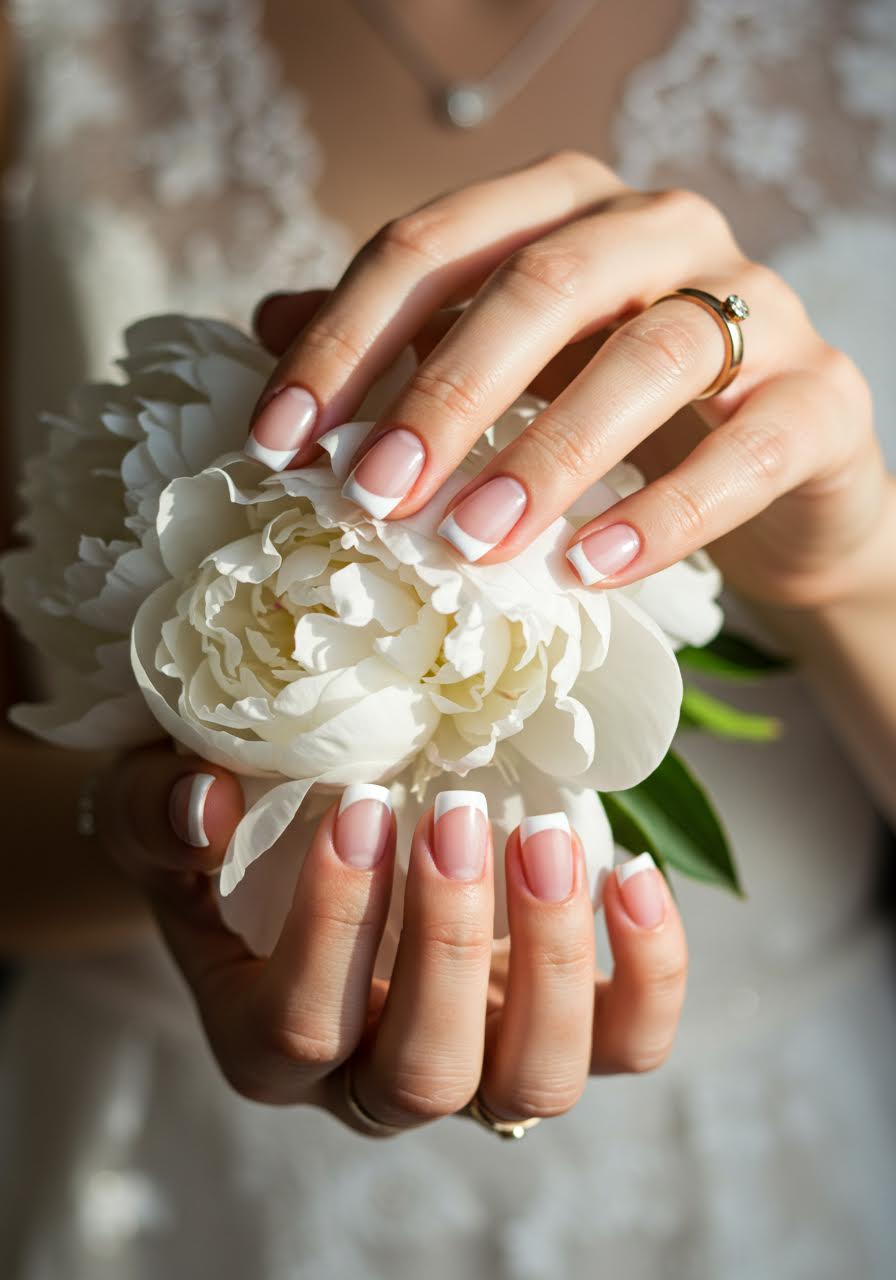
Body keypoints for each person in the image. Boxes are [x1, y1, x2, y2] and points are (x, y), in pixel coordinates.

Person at [1, 2, 894, 1277]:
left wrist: (851, 573)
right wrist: (171, 844)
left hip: (774, 1172)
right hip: (159, 1176)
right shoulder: (51, 38)